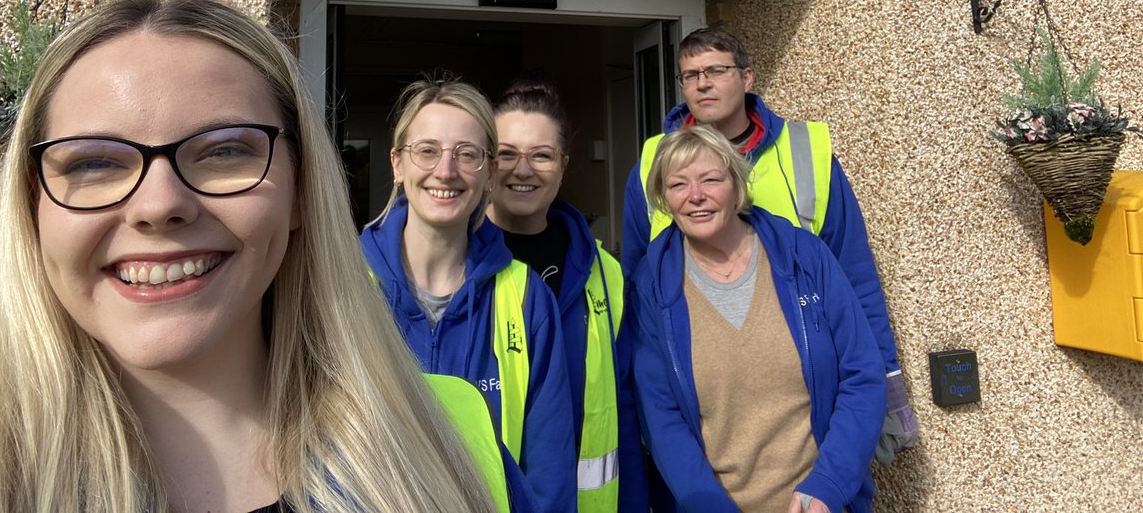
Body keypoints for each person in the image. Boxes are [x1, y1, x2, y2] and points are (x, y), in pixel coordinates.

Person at [0, 0, 522, 512]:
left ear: (301, 191)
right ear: (32, 209)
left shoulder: (453, 431)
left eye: (223, 152)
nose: (159, 203)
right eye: (93, 162)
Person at [622, 27, 917, 461]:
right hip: (702, 405)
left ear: (747, 78)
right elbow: (634, 283)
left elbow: (855, 274)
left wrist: (888, 386)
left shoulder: (806, 152)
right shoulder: (653, 160)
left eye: (716, 71)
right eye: (690, 75)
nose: (702, 83)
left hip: (810, 399)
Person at [631, 126, 886, 512]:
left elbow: (862, 374)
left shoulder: (804, 257)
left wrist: (830, 484)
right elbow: (660, 416)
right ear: (663, 198)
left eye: (710, 180)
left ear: (735, 183)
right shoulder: (652, 286)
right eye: (678, 184)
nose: (695, 196)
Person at [362, 78, 577, 513]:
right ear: (397, 164)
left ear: (489, 172)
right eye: (426, 150)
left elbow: (549, 474)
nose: (446, 171)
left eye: (467, 154)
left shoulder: (526, 296)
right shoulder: (341, 284)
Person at [487, 81, 646, 513]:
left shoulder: (604, 273)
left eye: (541, 155)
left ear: (563, 165)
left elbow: (623, 409)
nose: (523, 170)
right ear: (484, 162)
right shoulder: (456, 267)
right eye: (506, 153)